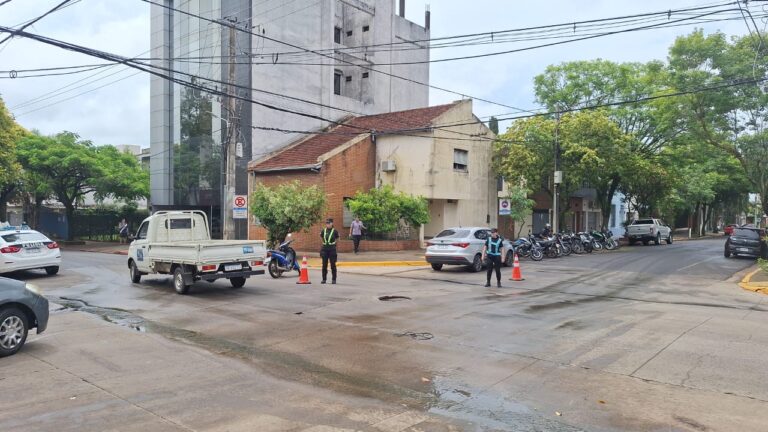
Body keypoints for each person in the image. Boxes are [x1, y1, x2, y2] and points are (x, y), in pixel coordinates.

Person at [320, 218, 340, 284]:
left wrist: (335, 245)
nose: (327, 224)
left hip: (332, 250)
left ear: (332, 223)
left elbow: (338, 238)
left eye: (329, 223)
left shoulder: (335, 231)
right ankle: (324, 279)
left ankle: (334, 279)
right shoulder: (323, 231)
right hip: (324, 250)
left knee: (333, 265)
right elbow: (321, 237)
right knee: (324, 265)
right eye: (327, 223)